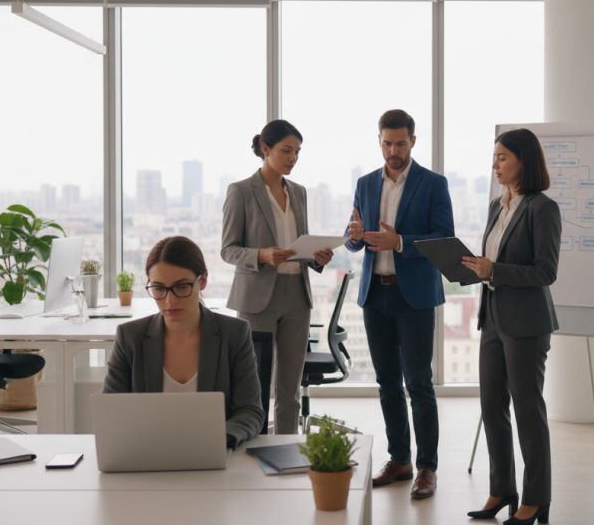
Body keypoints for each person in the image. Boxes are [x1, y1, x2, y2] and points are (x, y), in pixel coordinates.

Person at [345, 109, 454, 499]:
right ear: (380, 140)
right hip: (376, 294)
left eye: (401, 143)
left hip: (415, 297)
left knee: (419, 384)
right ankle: (400, 459)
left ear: (413, 141)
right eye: (387, 143)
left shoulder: (433, 184)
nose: (394, 150)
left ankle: (427, 467)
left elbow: (443, 236)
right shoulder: (365, 183)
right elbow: (355, 235)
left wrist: (401, 242)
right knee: (387, 383)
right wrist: (354, 235)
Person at [462, 128, 561, 525]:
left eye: (502, 157)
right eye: (495, 157)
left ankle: (536, 498)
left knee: (527, 411)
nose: (495, 164)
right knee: (492, 408)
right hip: (493, 319)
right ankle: (502, 489)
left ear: (524, 160)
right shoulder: (495, 206)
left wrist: (496, 270)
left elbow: (546, 271)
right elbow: (493, 260)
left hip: (527, 323)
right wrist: (474, 268)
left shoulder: (542, 208)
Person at [221, 119, 333, 435]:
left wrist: (317, 257)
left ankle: (286, 449)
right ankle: (251, 449)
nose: (292, 158)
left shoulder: (298, 192)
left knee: (290, 387)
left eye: (297, 152)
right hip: (258, 298)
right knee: (253, 386)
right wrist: (262, 254)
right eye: (286, 151)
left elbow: (301, 243)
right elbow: (228, 250)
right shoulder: (241, 191)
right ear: (266, 149)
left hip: (297, 295)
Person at [102, 236, 264, 448]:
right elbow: (111, 410)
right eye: (159, 288)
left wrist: (216, 439)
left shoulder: (234, 334)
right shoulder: (130, 337)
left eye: (181, 287)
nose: (170, 300)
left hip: (212, 453)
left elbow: (250, 411)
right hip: (146, 454)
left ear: (203, 280)